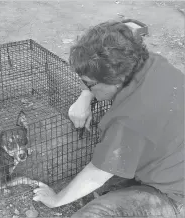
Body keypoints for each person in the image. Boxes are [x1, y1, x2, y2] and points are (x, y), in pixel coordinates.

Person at [32, 20, 184, 218]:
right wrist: (85, 96)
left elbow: (96, 174)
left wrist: (56, 200)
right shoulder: (151, 62)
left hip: (175, 193)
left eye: (88, 83)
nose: (84, 86)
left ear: (114, 80)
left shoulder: (130, 122)